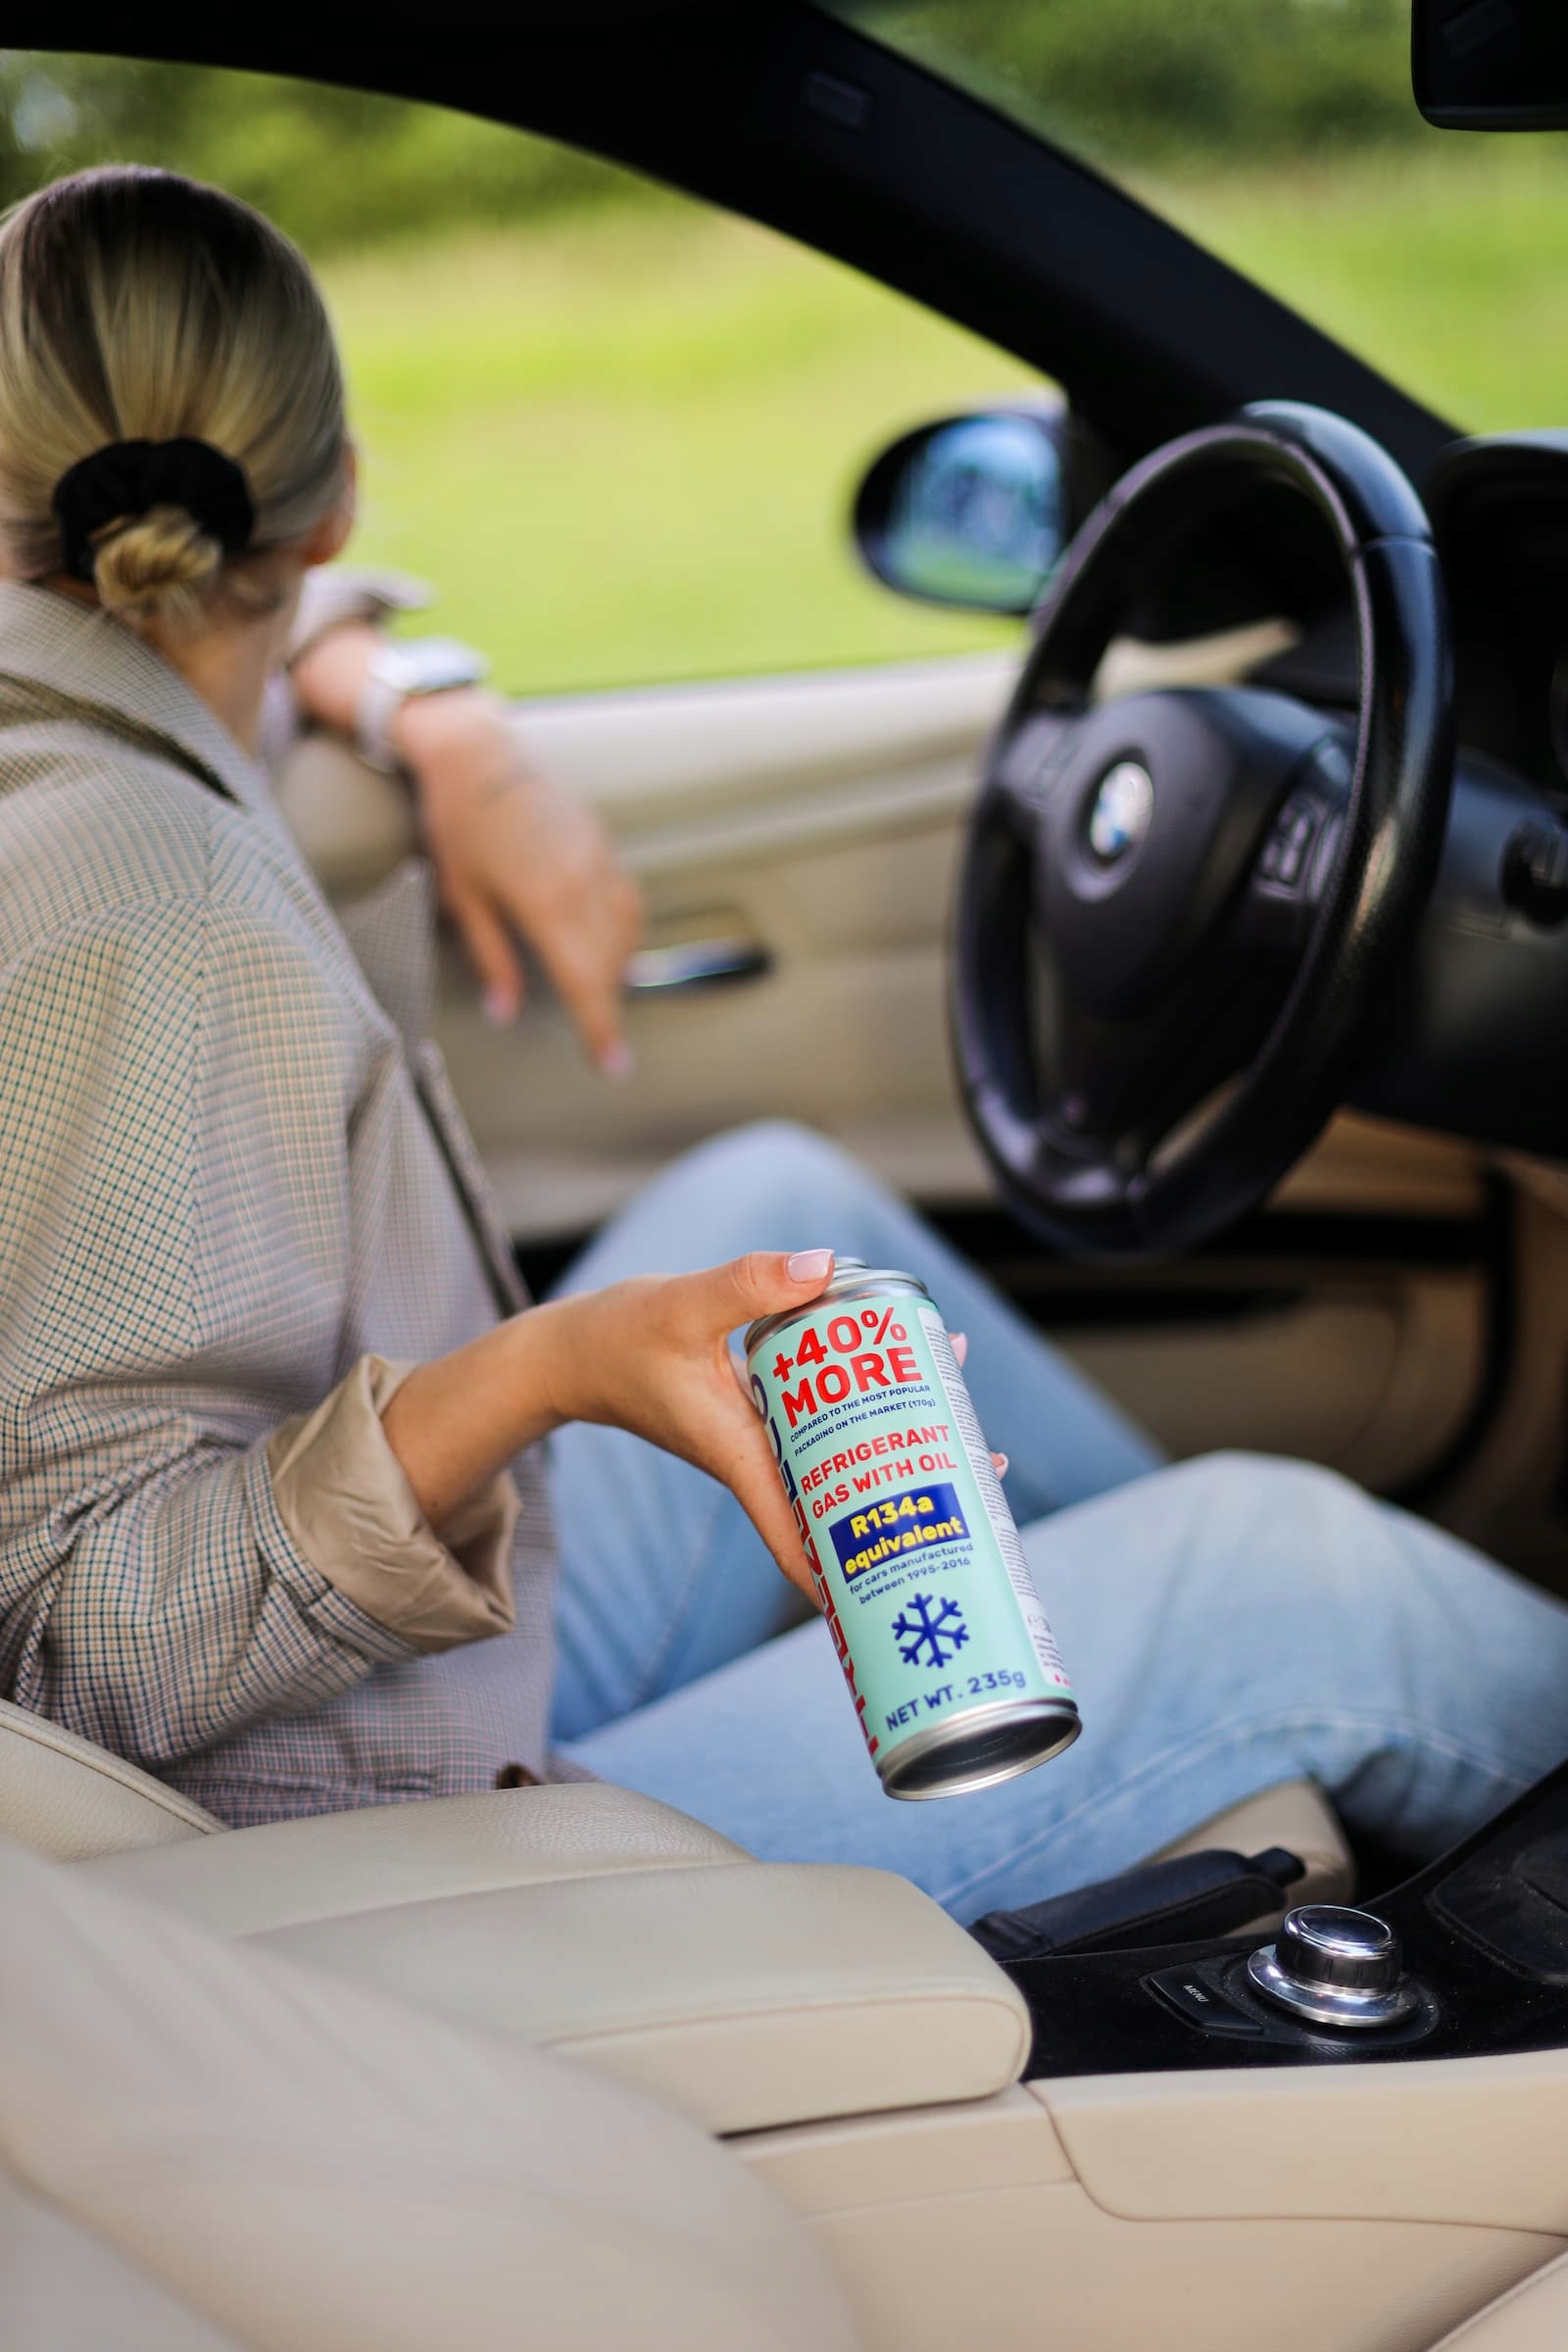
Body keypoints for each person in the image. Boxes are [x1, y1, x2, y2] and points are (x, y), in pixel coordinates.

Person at [0, 166, 1563, 1929]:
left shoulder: (79, 734)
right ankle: (1254, 1703)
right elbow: (65, 1658)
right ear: (339, 493)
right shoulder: (147, 897)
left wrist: (432, 717)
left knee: (785, 1208)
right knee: (1292, 1573)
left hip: (368, 1697)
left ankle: (1162, 1703)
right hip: (339, 1873)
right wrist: (540, 1371)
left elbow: (263, 635)